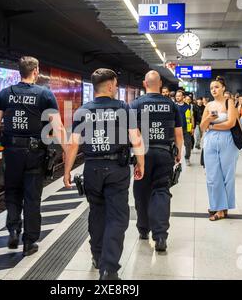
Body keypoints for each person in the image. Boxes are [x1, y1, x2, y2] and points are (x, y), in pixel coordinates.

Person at [64, 68, 145, 280]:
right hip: (117, 169)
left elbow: (73, 144)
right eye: (116, 85)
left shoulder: (83, 111)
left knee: (97, 213)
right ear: (109, 86)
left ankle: (97, 256)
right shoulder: (123, 108)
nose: (116, 88)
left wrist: (66, 172)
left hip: (91, 168)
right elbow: (136, 139)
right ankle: (109, 268)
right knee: (117, 217)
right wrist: (140, 163)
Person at [0, 56, 67, 254]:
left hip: (11, 152)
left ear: (19, 72)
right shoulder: (45, 95)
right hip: (34, 153)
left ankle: (13, 229)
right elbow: (58, 127)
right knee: (32, 198)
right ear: (36, 71)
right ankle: (29, 242)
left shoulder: (5, 94)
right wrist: (67, 151)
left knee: (12, 192)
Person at [130, 70, 183, 252]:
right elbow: (178, 134)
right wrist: (179, 153)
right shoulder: (171, 105)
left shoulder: (135, 105)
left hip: (141, 154)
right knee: (161, 192)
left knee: (141, 192)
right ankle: (160, 237)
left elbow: (130, 134)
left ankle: (143, 229)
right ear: (160, 84)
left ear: (145, 84)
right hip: (164, 154)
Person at [200, 76, 239, 221]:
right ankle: (216, 205)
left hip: (227, 141)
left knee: (226, 175)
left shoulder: (230, 103)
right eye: (211, 88)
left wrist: (212, 126)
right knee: (212, 175)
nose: (213, 90)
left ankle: (223, 208)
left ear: (223, 88)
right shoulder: (209, 105)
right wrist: (209, 119)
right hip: (210, 141)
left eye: (216, 87)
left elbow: (231, 123)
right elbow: (202, 127)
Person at [175, 90, 194, 166]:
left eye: (179, 96)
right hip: (176, 128)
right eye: (176, 96)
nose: (177, 97)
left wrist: (192, 127)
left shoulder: (188, 106)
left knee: (188, 144)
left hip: (186, 128)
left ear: (183, 97)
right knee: (176, 144)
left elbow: (191, 117)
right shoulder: (174, 106)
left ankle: (187, 157)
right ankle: (175, 157)